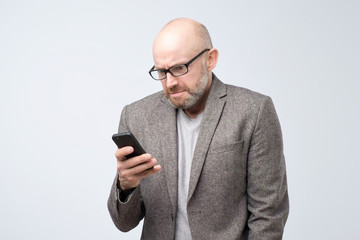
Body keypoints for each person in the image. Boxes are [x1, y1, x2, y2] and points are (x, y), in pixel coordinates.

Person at [108, 18, 289, 240]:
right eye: (162, 71)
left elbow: (269, 214)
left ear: (210, 59)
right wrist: (126, 186)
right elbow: (124, 223)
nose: (170, 82)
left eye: (179, 68)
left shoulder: (254, 111)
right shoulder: (136, 116)